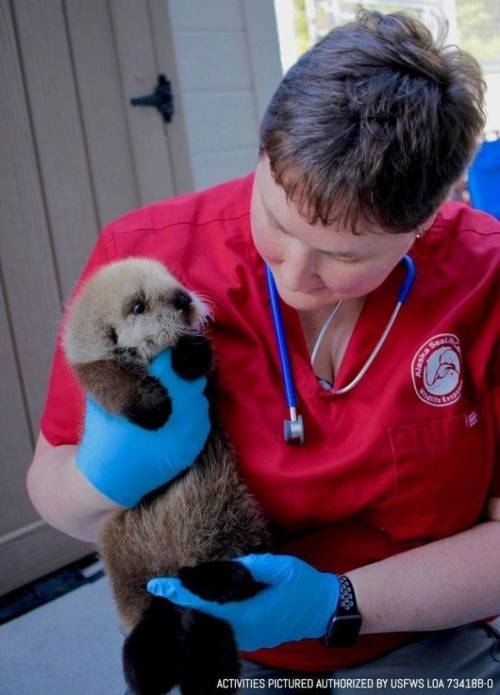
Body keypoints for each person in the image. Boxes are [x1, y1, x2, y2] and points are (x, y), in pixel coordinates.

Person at [27, 9, 500, 694]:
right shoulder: (150, 262)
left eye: (344, 255)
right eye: (276, 222)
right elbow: (51, 490)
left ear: (427, 219)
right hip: (219, 646)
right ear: (261, 156)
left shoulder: (485, 278)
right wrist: (101, 479)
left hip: (424, 633)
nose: (295, 274)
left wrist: (335, 603)